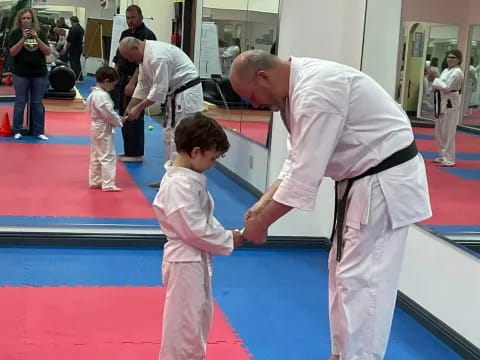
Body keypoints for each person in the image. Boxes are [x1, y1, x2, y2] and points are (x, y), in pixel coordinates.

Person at [229, 50, 431, 360]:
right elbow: (294, 164)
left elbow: (304, 177)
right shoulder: (293, 95)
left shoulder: (316, 93)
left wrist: (263, 222)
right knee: (340, 272)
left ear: (263, 76)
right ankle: (341, 353)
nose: (255, 104)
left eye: (253, 95)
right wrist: (261, 205)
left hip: (382, 183)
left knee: (364, 281)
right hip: (359, 182)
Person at [152, 113, 243, 360]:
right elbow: (194, 229)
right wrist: (227, 239)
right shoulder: (178, 185)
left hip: (194, 259)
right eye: (212, 158)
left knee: (197, 319)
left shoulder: (188, 181)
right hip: (184, 262)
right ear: (195, 152)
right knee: (184, 326)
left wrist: (228, 234)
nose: (213, 164)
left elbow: (202, 219)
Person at [118, 37, 203, 167]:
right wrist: (130, 107)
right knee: (168, 135)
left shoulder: (157, 57)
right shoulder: (144, 58)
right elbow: (143, 86)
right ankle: (170, 174)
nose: (129, 60)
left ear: (135, 48)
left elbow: (159, 91)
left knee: (179, 136)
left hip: (186, 95)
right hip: (175, 95)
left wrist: (139, 108)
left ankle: (178, 176)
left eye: (129, 56)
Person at [112, 5, 156, 163]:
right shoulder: (125, 34)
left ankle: (136, 153)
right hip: (123, 78)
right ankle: (128, 150)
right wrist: (115, 76)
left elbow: (143, 64)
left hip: (137, 79)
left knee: (135, 115)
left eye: (133, 17)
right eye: (128, 17)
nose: (130, 21)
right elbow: (119, 56)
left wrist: (132, 82)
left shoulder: (147, 35)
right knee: (124, 113)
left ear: (141, 17)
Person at [8, 8, 51, 140]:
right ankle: (17, 129)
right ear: (20, 20)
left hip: (39, 72)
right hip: (21, 72)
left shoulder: (39, 33)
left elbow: (47, 51)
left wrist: (36, 38)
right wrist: (23, 38)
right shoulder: (15, 34)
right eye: (24, 18)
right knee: (21, 101)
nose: (26, 20)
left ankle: (39, 131)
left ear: (32, 20)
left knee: (37, 102)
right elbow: (12, 52)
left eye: (28, 18)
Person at [85, 66, 124, 192]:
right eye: (112, 85)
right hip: (103, 127)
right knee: (108, 155)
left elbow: (90, 109)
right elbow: (108, 113)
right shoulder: (102, 96)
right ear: (106, 81)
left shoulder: (93, 94)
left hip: (96, 126)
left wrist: (116, 118)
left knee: (96, 154)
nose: (112, 88)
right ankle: (108, 184)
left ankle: (95, 180)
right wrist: (119, 121)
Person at [432, 49, 464, 167]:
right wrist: (438, 83)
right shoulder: (446, 70)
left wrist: (436, 82)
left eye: (453, 58)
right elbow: (441, 85)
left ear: (459, 60)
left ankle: (449, 159)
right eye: (449, 57)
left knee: (448, 131)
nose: (450, 59)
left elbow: (447, 87)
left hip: (450, 102)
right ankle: (442, 155)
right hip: (441, 101)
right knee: (439, 131)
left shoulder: (458, 72)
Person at [60, 16, 84, 82]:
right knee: (77, 63)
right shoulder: (81, 28)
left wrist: (65, 49)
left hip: (73, 49)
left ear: (71, 21)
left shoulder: (73, 28)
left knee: (73, 63)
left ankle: (76, 77)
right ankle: (80, 77)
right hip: (79, 48)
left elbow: (69, 41)